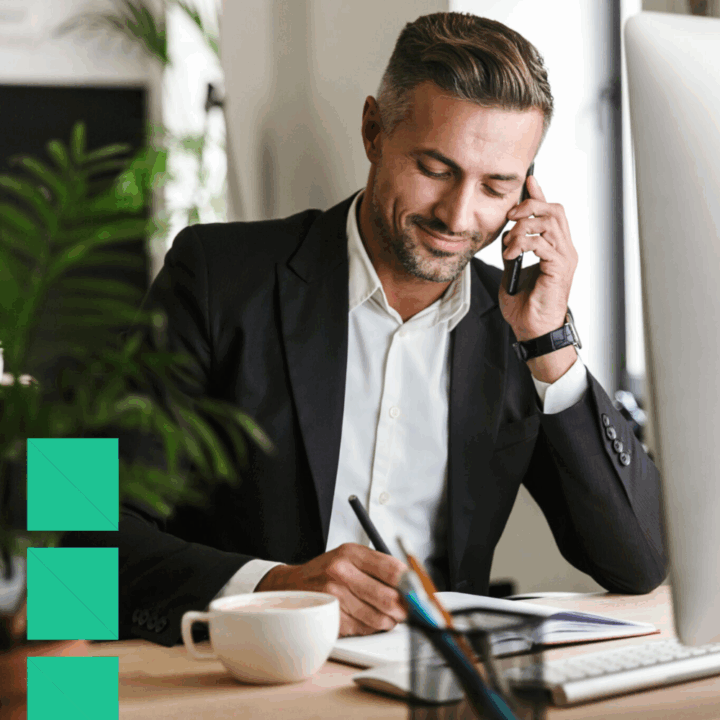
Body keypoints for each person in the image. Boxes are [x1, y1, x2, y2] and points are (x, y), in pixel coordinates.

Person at [68, 12, 666, 646]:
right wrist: (274, 588)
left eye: (496, 185)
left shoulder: (514, 327)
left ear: (527, 190)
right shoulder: (214, 275)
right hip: (239, 680)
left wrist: (550, 346)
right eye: (436, 169)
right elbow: (74, 536)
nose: (458, 215)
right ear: (373, 130)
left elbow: (640, 562)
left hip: (429, 688)